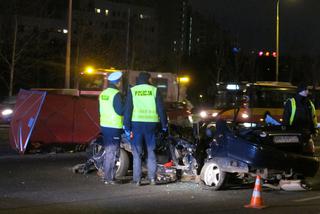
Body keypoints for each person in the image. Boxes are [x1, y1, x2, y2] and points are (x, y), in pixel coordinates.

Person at [123, 72, 168, 186]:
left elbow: (128, 110)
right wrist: (164, 125)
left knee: (137, 153)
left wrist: (126, 126)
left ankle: (137, 180)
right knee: (151, 151)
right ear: (148, 79)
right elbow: (161, 109)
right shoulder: (154, 90)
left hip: (136, 125)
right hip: (151, 125)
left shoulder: (133, 90)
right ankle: (152, 178)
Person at [99, 71, 124, 185]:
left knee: (108, 150)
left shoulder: (103, 93)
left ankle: (106, 175)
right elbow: (120, 111)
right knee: (113, 152)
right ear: (118, 82)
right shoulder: (116, 94)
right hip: (114, 126)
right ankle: (109, 178)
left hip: (104, 125)